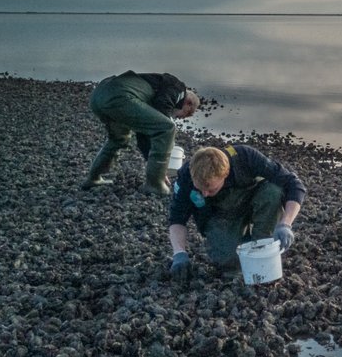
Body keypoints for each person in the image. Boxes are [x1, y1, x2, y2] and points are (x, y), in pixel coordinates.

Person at [167, 143, 306, 282]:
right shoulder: (186, 176)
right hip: (220, 217)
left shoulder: (245, 157)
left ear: (225, 173)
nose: (205, 194)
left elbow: (294, 185)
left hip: (253, 201)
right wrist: (179, 253)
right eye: (200, 188)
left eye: (211, 189)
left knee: (273, 192)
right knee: (229, 262)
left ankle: (263, 244)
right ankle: (241, 242)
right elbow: (177, 218)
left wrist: (285, 224)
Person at [82, 71, 200, 194]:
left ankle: (93, 178)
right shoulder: (178, 88)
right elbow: (162, 105)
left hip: (99, 97)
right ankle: (155, 185)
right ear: (188, 103)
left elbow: (143, 131)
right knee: (167, 128)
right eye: (186, 114)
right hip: (121, 97)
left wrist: (158, 170)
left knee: (118, 139)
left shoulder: (155, 91)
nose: (181, 118)